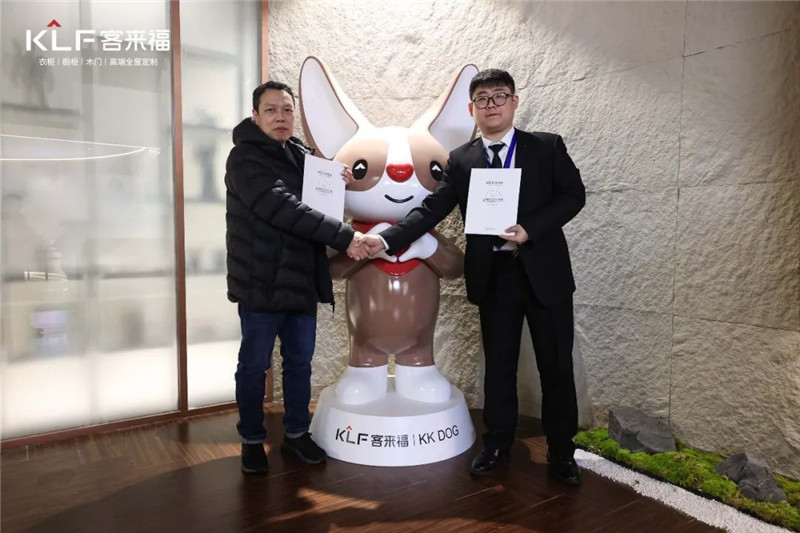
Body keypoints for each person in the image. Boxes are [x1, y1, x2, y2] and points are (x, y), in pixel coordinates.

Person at [360, 69, 586, 484]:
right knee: (498, 365)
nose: (491, 105)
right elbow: (431, 210)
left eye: (499, 96)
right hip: (495, 276)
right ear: (471, 109)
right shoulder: (462, 159)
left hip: (545, 274)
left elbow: (574, 196)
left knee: (555, 366)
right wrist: (386, 239)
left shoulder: (546, 147)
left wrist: (530, 228)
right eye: (482, 99)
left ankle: (561, 451)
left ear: (514, 102)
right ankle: (497, 443)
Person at [225, 80, 367, 475]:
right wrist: (346, 237)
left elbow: (318, 191)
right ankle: (252, 439)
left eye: (287, 110)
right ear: (255, 116)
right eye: (271, 110)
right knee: (254, 365)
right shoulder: (244, 159)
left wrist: (336, 176)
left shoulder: (300, 154)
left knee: (299, 363)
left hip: (300, 279)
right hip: (260, 282)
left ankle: (297, 434)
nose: (281, 117)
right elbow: (283, 207)